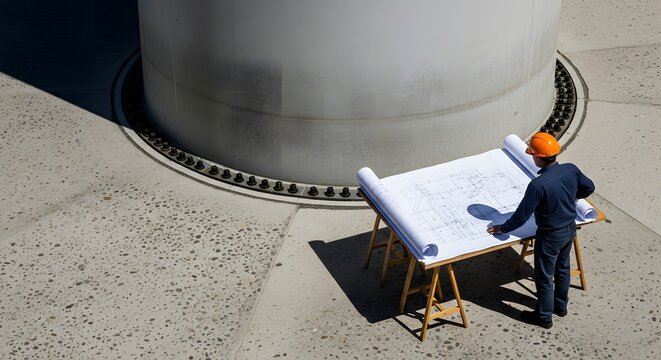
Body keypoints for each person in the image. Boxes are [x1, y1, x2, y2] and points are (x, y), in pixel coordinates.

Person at [487, 132, 595, 329]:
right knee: (562, 269)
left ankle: (544, 316)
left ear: (538, 157)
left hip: (550, 236)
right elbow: (589, 187)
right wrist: (572, 197)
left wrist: (502, 228)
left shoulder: (538, 185)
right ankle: (560, 307)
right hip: (569, 229)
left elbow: (521, 216)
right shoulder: (571, 169)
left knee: (544, 277)